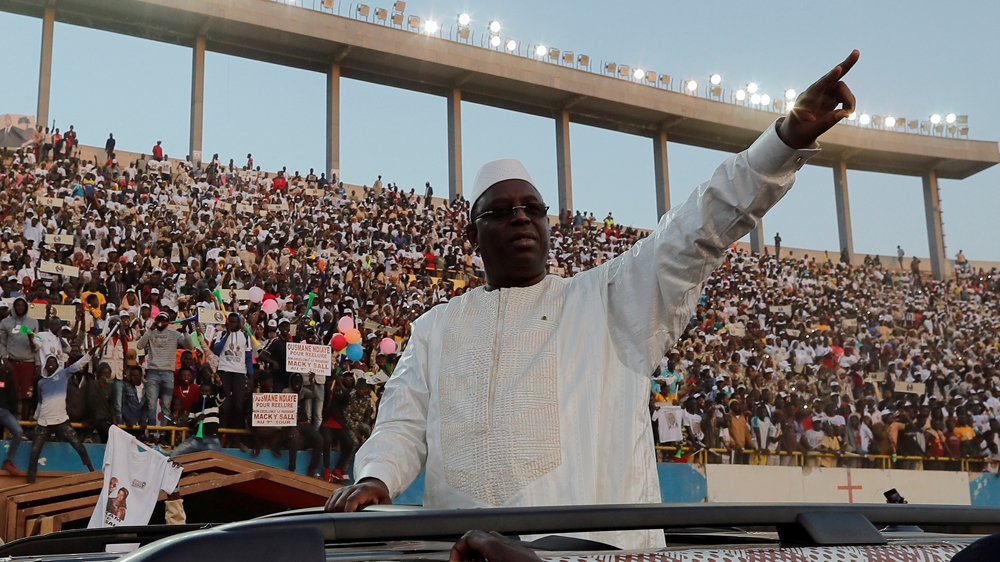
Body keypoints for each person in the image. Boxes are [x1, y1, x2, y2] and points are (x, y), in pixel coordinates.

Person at [326, 51, 861, 549]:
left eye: (533, 208)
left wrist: (782, 143)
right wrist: (375, 478)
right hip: (462, 554)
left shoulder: (609, 301)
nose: (520, 217)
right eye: (502, 211)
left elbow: (697, 228)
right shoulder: (436, 329)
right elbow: (402, 425)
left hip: (590, 555)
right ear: (472, 236)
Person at [28, 346, 101, 483]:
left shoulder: (63, 374)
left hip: (61, 420)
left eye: (53, 361)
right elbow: (40, 402)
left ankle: (93, 472)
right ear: (45, 365)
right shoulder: (41, 383)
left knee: (78, 446)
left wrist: (92, 351)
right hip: (44, 422)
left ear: (57, 365)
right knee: (34, 451)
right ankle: (30, 482)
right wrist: (36, 417)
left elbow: (80, 364)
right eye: (48, 361)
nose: (51, 363)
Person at [133, 312, 192, 427]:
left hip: (168, 374)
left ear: (168, 322)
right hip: (153, 373)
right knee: (151, 404)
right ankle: (152, 430)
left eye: (164, 320)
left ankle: (163, 432)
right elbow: (139, 346)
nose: (161, 322)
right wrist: (150, 330)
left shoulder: (174, 334)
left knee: (166, 405)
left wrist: (185, 331)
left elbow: (189, 346)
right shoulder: (151, 333)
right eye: (159, 319)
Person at [0, 297, 39, 419]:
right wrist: (4, 359)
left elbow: (37, 345)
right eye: (18, 305)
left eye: (22, 305)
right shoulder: (5, 322)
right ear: (14, 307)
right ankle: (12, 424)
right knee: (12, 395)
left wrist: (38, 364)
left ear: (26, 307)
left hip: (28, 363)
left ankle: (25, 425)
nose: (20, 307)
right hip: (12, 362)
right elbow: (2, 343)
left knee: (27, 396)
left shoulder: (33, 323)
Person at [0, 364, 24, 475]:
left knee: (18, 432)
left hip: (4, 411)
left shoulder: (6, 376)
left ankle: (8, 461)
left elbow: (12, 396)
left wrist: (13, 411)